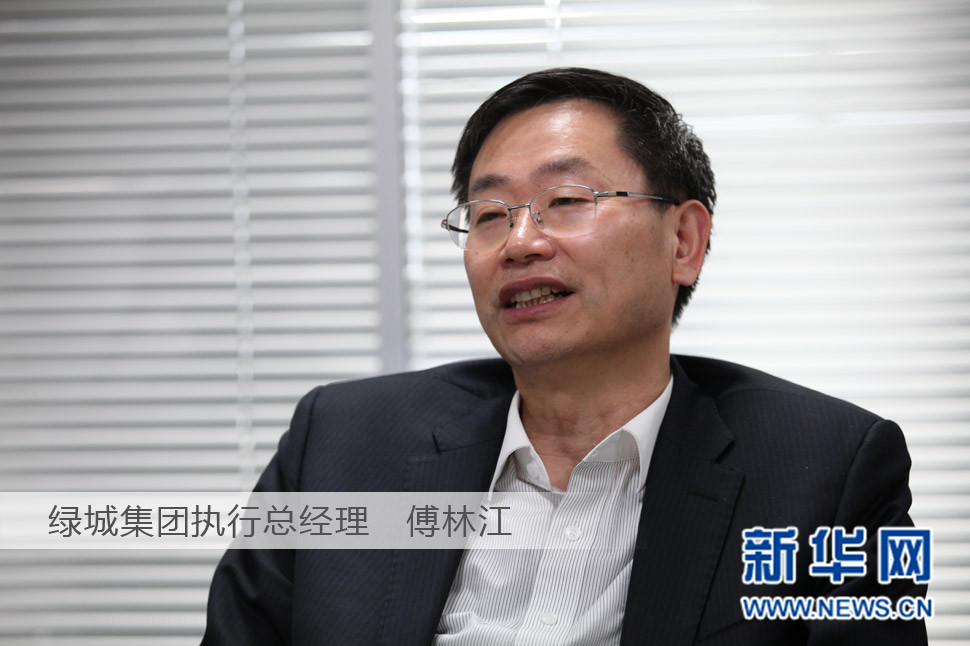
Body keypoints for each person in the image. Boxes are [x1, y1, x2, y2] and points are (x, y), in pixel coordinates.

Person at [201, 68, 927, 645]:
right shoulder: (341, 441)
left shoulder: (828, 470)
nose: (520, 242)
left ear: (684, 241)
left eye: (567, 200)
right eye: (490, 215)